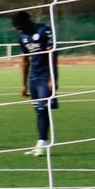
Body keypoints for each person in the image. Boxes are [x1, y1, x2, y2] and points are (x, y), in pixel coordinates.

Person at [14, 11, 58, 157]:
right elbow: (25, 60)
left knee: (43, 109)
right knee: (39, 111)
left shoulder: (44, 30)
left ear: (27, 21)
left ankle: (42, 143)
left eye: (20, 27)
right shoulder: (22, 37)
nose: (20, 30)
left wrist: (52, 78)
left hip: (45, 76)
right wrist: (23, 84)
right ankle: (41, 143)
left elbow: (53, 54)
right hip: (34, 78)